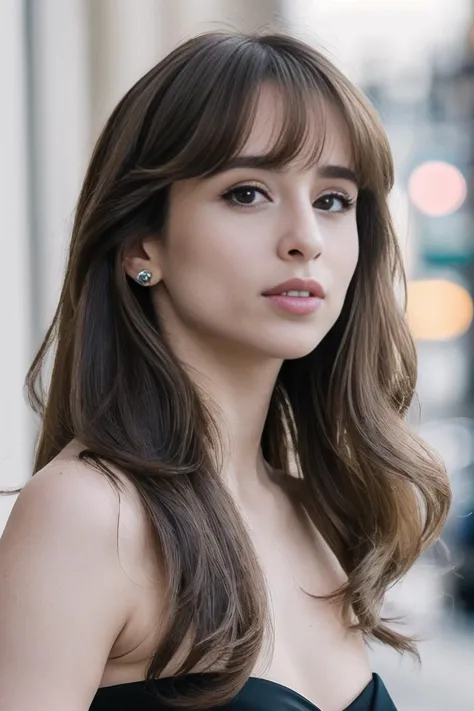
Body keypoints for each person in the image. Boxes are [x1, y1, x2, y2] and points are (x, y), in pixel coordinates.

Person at [0, 31, 451, 711]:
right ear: (140, 243)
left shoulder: (314, 511)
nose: (305, 236)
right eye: (247, 193)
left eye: (333, 199)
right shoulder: (89, 515)